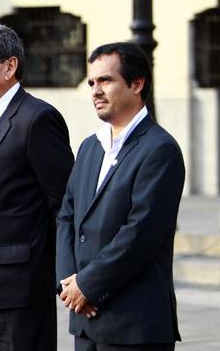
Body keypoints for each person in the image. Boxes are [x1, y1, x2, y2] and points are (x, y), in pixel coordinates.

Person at [56, 42, 184, 350]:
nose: (95, 90)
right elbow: (67, 216)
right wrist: (68, 284)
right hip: (84, 321)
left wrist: (87, 285)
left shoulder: (160, 150)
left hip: (134, 326)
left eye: (106, 80)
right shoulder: (89, 147)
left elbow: (140, 234)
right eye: (92, 82)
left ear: (137, 83)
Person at [0, 24, 74, 351]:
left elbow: (65, 203)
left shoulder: (37, 119)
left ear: (10, 67)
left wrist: (64, 274)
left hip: (21, 287)